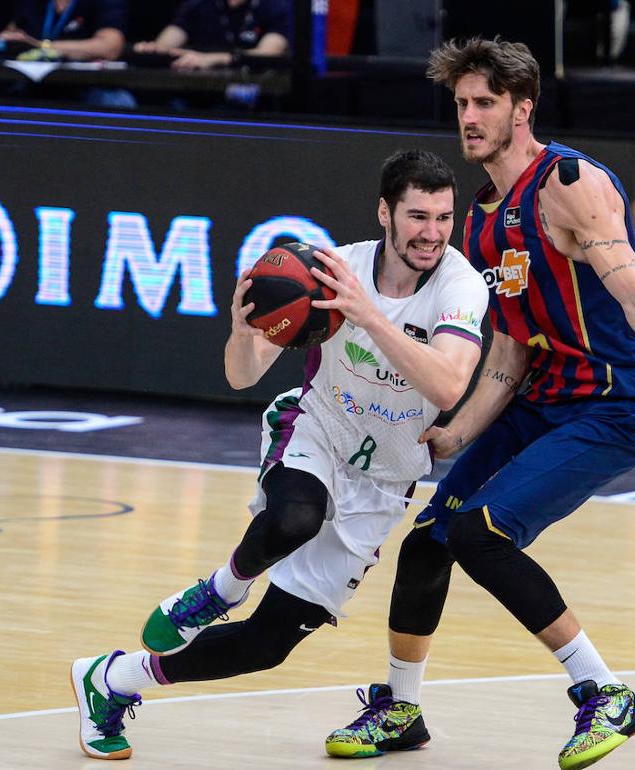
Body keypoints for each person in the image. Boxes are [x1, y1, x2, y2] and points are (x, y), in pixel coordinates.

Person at [324, 37, 635, 770]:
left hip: (614, 402)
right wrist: (453, 435)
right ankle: (401, 709)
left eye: (485, 102)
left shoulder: (568, 181)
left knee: (482, 536)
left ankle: (604, 693)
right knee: (430, 540)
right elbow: (510, 354)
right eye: (462, 103)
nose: (471, 116)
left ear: (523, 108)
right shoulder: (483, 218)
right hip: (541, 398)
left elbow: (632, 286)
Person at [69, 149, 488, 760]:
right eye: (418, 216)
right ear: (385, 214)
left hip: (384, 481)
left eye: (444, 218)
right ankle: (223, 586)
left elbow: (449, 387)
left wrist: (367, 316)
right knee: (296, 517)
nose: (432, 233)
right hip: (315, 430)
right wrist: (243, 333)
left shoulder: (460, 285)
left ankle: (109, 681)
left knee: (267, 646)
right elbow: (243, 376)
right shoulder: (330, 270)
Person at [133, 0, 291, 72]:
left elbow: (269, 53)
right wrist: (154, 49)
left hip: (254, 92)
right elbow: (172, 37)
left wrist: (213, 59)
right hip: (200, 93)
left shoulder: (275, 6)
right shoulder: (198, 4)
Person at [0, 0, 127, 62]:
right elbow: (11, 32)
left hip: (83, 81)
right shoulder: (31, 3)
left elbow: (111, 46)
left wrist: (42, 46)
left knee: (114, 99)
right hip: (32, 77)